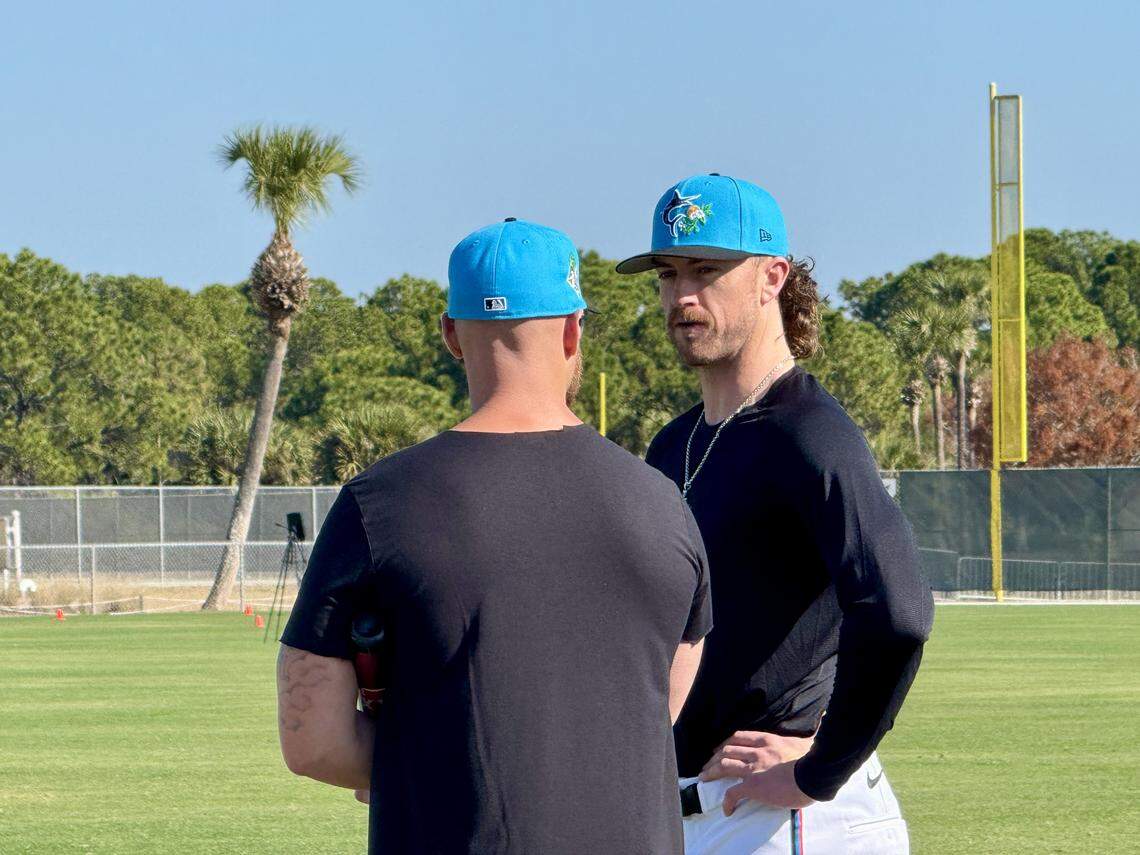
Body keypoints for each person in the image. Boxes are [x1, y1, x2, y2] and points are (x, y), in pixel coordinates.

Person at [276, 217, 712, 854]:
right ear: (572, 328)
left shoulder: (378, 504)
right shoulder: (662, 502)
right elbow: (657, 702)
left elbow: (311, 738)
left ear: (452, 334)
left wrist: (421, 766)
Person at [616, 174, 935, 853]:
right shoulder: (674, 443)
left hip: (790, 820)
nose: (683, 295)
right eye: (669, 273)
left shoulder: (808, 433)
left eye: (707, 269)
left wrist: (818, 771)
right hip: (694, 812)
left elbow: (897, 611)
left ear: (772, 276)